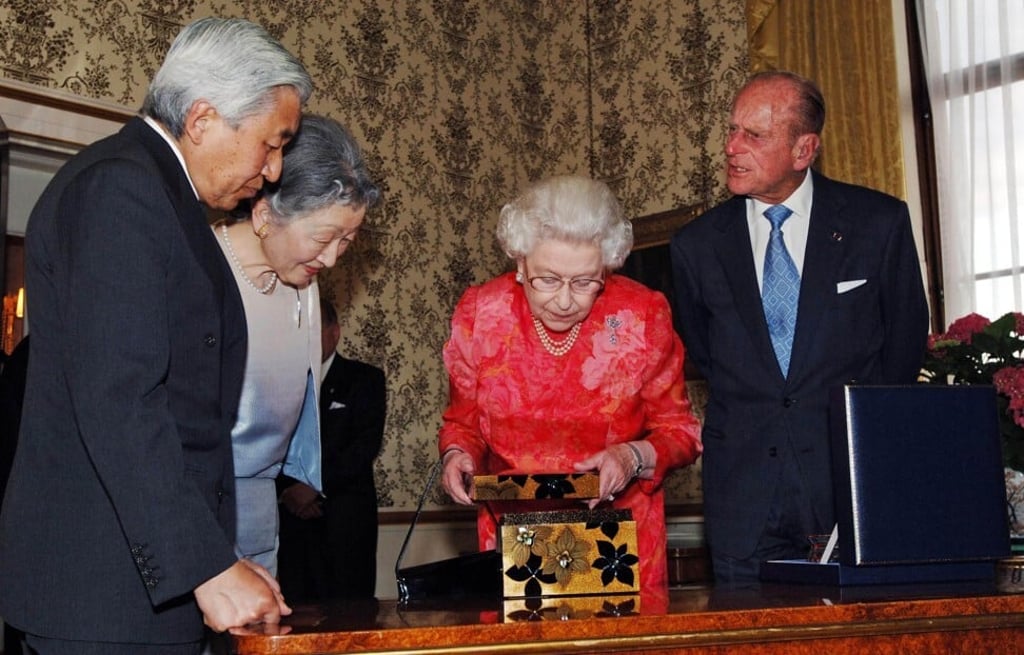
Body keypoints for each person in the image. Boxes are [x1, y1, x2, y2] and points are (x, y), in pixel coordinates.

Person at [0, 17, 312, 653]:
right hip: (103, 596)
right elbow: (121, 401)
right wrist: (206, 566)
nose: (275, 169)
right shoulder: (122, 189)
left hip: (128, 587)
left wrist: (215, 556)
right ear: (202, 120)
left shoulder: (158, 195)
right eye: (272, 142)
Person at [669, 71, 930, 585]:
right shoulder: (696, 246)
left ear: (804, 149)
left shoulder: (878, 224)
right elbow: (704, 351)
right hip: (742, 496)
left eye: (754, 135)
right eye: (732, 130)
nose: (731, 147)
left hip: (848, 489)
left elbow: (902, 348)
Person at [439, 175, 703, 597]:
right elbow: (463, 422)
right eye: (548, 279)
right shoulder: (482, 315)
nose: (565, 300)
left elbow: (681, 432)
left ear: (606, 269)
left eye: (584, 282)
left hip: (620, 541)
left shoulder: (640, 314)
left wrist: (632, 456)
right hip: (514, 536)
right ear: (520, 264)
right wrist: (457, 454)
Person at [213, 113, 380, 579]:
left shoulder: (303, 287)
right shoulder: (202, 272)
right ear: (265, 214)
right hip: (198, 512)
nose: (330, 259)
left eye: (346, 242)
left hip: (263, 517)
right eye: (324, 237)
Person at [276, 298, 386, 601]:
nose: (306, 339)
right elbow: (271, 443)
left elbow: (363, 447)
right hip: (292, 525)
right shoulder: (283, 383)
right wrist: (289, 492)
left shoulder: (365, 379)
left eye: (314, 329)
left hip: (345, 525)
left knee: (350, 621)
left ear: (334, 332)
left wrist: (312, 485)